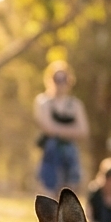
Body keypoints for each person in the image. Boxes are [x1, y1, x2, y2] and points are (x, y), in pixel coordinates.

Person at [34, 60, 89, 195]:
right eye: (56, 79)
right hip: (50, 152)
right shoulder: (43, 101)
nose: (60, 83)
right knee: (48, 193)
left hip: (70, 153)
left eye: (63, 79)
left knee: (67, 195)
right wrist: (71, 130)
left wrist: (57, 130)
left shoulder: (75, 104)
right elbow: (47, 127)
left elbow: (84, 131)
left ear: (69, 81)